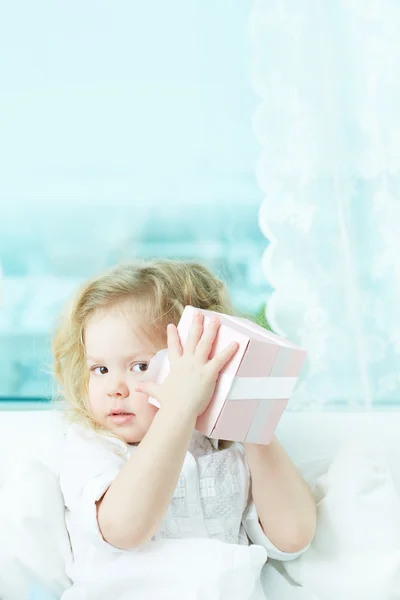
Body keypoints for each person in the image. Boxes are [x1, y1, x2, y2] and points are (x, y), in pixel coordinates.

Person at [54, 259, 316, 600]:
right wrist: (177, 410)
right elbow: (123, 528)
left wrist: (249, 420)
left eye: (139, 366)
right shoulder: (95, 447)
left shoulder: (227, 450)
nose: (114, 387)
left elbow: (293, 536)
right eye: (100, 369)